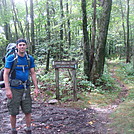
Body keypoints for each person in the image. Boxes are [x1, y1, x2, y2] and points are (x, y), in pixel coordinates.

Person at [4, 38, 39, 134]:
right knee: (13, 112)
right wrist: (7, 89)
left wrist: (36, 88)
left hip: (26, 89)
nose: (22, 46)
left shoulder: (29, 58)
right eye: (20, 45)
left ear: (26, 46)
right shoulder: (11, 58)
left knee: (28, 110)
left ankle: (28, 130)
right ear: (17, 47)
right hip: (14, 89)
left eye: (24, 45)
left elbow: (32, 73)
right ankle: (13, 130)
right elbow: (6, 74)